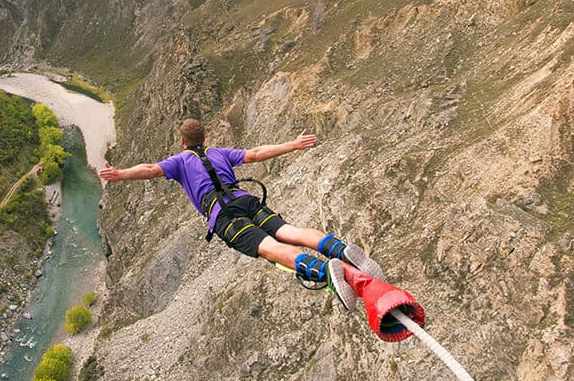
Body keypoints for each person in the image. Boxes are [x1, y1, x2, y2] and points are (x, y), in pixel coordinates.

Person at [98, 118, 383, 305]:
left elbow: (150, 170)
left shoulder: (180, 160)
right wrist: (292, 145)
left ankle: (324, 271)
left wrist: (119, 174)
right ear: (204, 138)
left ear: (183, 142)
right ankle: (341, 250)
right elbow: (256, 153)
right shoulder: (218, 153)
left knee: (269, 247)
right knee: (289, 232)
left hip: (223, 214)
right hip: (244, 198)